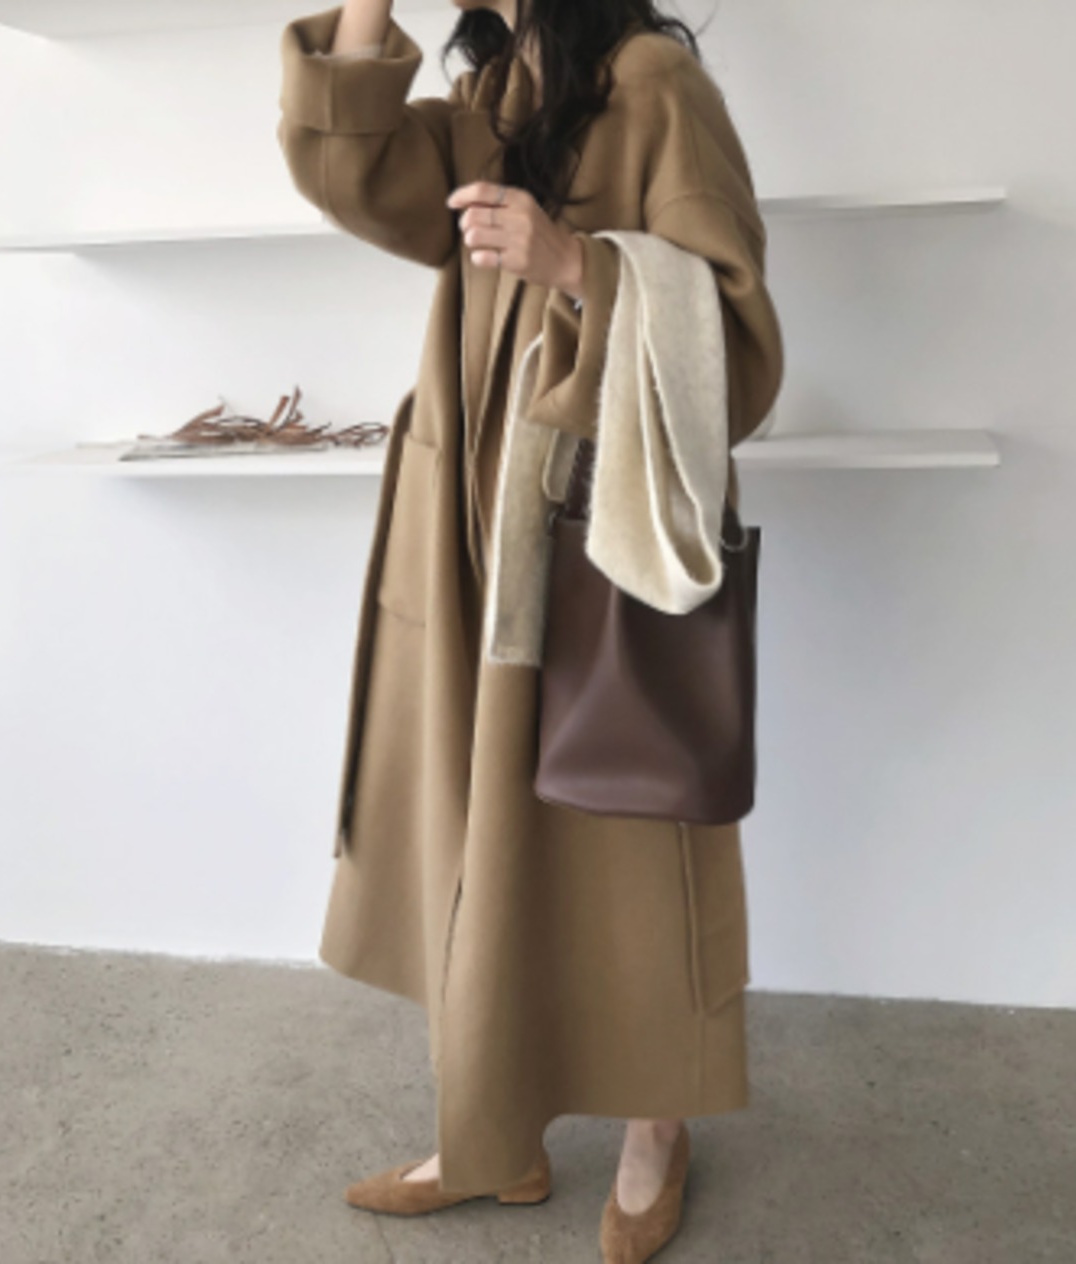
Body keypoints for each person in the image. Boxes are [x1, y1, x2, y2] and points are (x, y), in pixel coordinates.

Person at [276, 1, 784, 1259]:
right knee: (476, 823)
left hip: (597, 523)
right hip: (467, 520)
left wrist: (578, 268)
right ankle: (491, 1131)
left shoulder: (654, 84)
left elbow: (739, 342)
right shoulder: (490, 101)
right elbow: (348, 170)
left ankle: (656, 1127)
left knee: (629, 818)